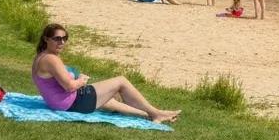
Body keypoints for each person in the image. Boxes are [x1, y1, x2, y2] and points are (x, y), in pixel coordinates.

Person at [32, 22, 180, 123]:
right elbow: (70, 87)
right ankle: (156, 113)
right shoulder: (51, 59)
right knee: (121, 81)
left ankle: (150, 114)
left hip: (62, 103)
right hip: (73, 104)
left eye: (65, 38)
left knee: (109, 101)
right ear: (46, 39)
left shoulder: (42, 56)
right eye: (57, 39)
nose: (62, 42)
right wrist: (82, 80)